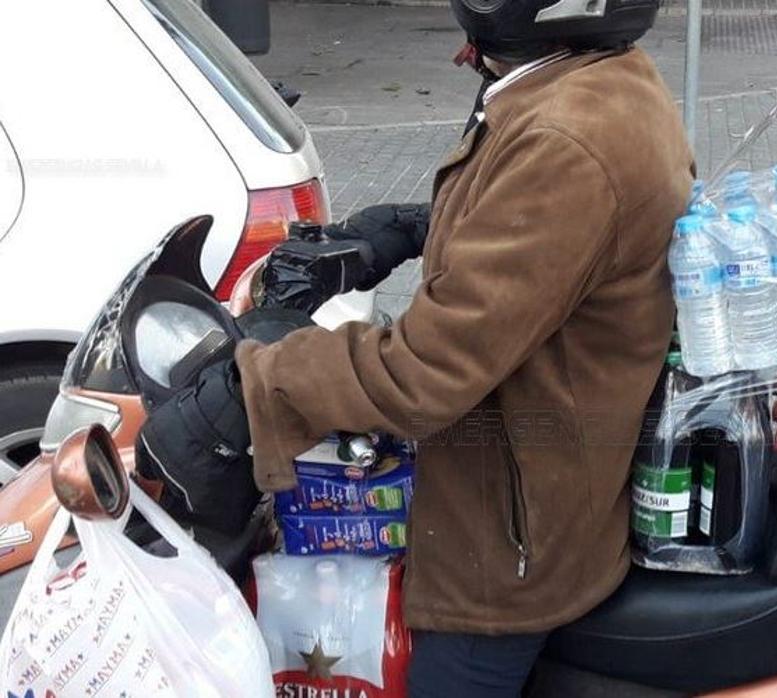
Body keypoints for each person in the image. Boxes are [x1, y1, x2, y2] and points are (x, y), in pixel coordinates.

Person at [134, 0, 693, 695]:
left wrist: (261, 382)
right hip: (522, 492)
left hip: (505, 559)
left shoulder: (564, 137)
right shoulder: (597, 84)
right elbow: (539, 240)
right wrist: (403, 230)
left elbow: (426, 372)